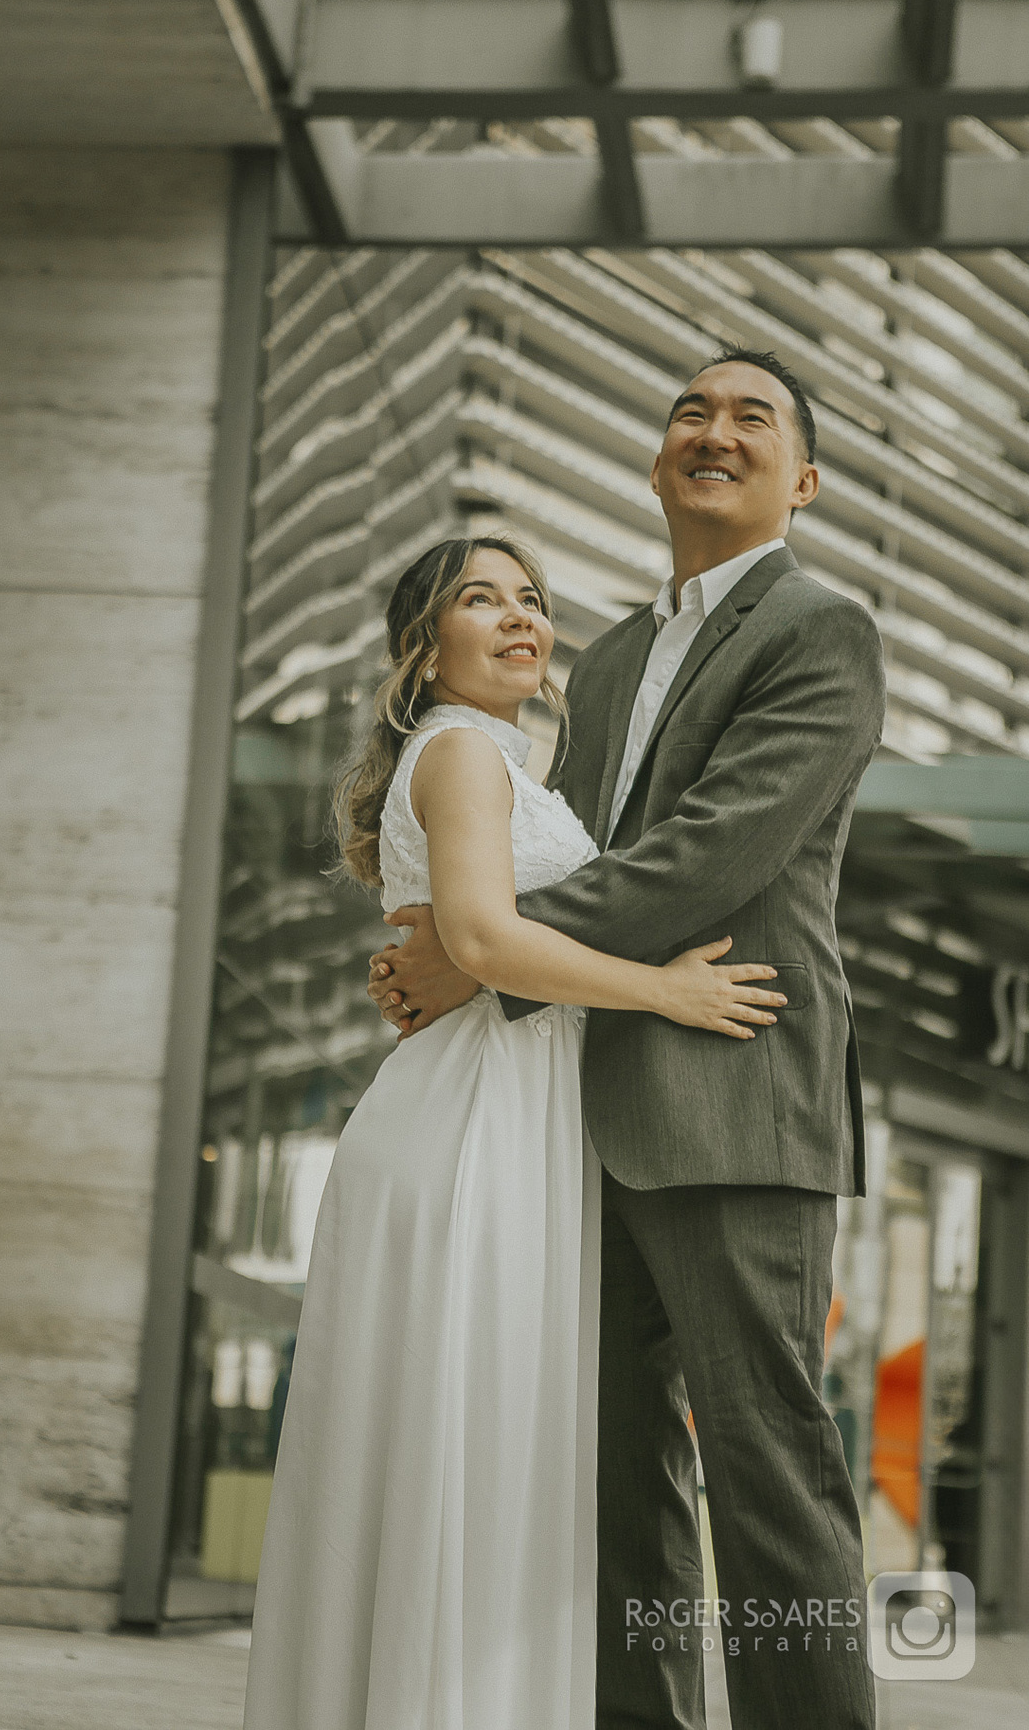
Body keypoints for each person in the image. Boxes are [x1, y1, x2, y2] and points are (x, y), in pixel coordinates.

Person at [368, 348, 886, 1730]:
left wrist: (472, 961)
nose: (713, 431)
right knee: (609, 1487)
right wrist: (472, 938)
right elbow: (568, 860)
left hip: (737, 1091)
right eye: (689, 413)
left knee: (772, 1479)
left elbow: (709, 862)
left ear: (804, 479)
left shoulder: (822, 631)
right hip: (578, 1119)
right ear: (658, 464)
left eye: (751, 418)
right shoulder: (598, 665)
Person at [242, 530, 787, 1730]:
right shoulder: (461, 755)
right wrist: (668, 991)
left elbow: (475, 939)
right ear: (423, 645)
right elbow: (484, 943)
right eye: (480, 599)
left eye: (531, 599)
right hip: (476, 1125)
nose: (518, 617)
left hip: (505, 1104)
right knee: (473, 1442)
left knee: (474, 1442)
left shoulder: (502, 762)